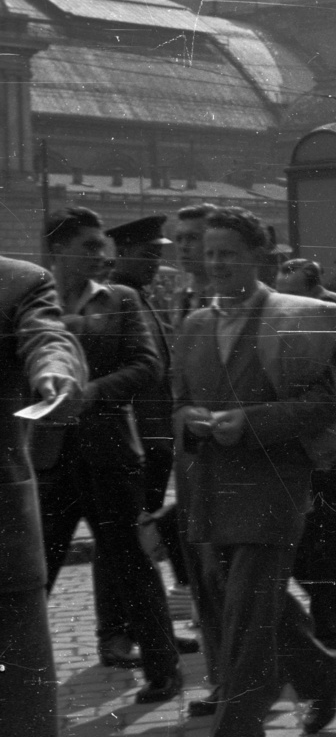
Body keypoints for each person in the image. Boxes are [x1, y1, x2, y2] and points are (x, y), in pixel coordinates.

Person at [172, 207, 336, 737]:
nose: (218, 263)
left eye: (230, 253)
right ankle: (322, 673)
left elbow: (323, 405)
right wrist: (192, 420)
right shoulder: (194, 323)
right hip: (210, 487)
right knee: (248, 605)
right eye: (211, 253)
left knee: (249, 614)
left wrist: (248, 423)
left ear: (258, 259)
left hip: (273, 484)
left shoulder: (298, 321)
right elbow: (173, 404)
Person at [36, 207, 181, 705]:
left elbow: (147, 366)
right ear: (57, 251)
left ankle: (163, 671)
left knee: (132, 563)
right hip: (48, 458)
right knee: (36, 571)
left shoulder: (120, 300)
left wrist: (93, 391)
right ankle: (19, 678)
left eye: (104, 246)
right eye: (90, 247)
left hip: (110, 453)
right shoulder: (30, 302)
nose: (103, 256)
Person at [0, 254, 83, 737]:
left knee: (17, 732)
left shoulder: (17, 281)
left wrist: (55, 373)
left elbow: (48, 338)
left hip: (0, 550)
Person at [103, 215, 200, 662]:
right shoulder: (111, 299)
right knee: (120, 541)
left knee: (142, 539)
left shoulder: (144, 297)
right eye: (147, 256)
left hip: (156, 438)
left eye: (157, 256)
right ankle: (117, 634)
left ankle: (150, 626)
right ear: (121, 253)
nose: (153, 264)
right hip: (135, 438)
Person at [275, 256, 336, 651]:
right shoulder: (286, 318)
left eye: (292, 294)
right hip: (293, 451)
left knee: (331, 543)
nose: (285, 303)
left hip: (334, 450)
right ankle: (330, 604)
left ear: (314, 289)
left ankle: (332, 625)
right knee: (299, 544)